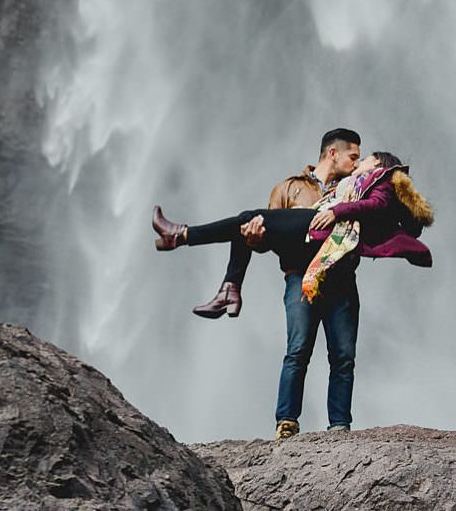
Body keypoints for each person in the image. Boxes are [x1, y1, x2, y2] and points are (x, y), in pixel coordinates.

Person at [152, 135, 433, 439]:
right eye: (354, 157)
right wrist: (255, 238)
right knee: (297, 348)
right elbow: (266, 240)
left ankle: (339, 425)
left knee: (343, 355)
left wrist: (337, 212)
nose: (357, 163)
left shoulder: (361, 185)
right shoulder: (291, 188)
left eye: (361, 159)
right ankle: (286, 421)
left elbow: (380, 208)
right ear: (333, 153)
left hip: (339, 274)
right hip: (301, 274)